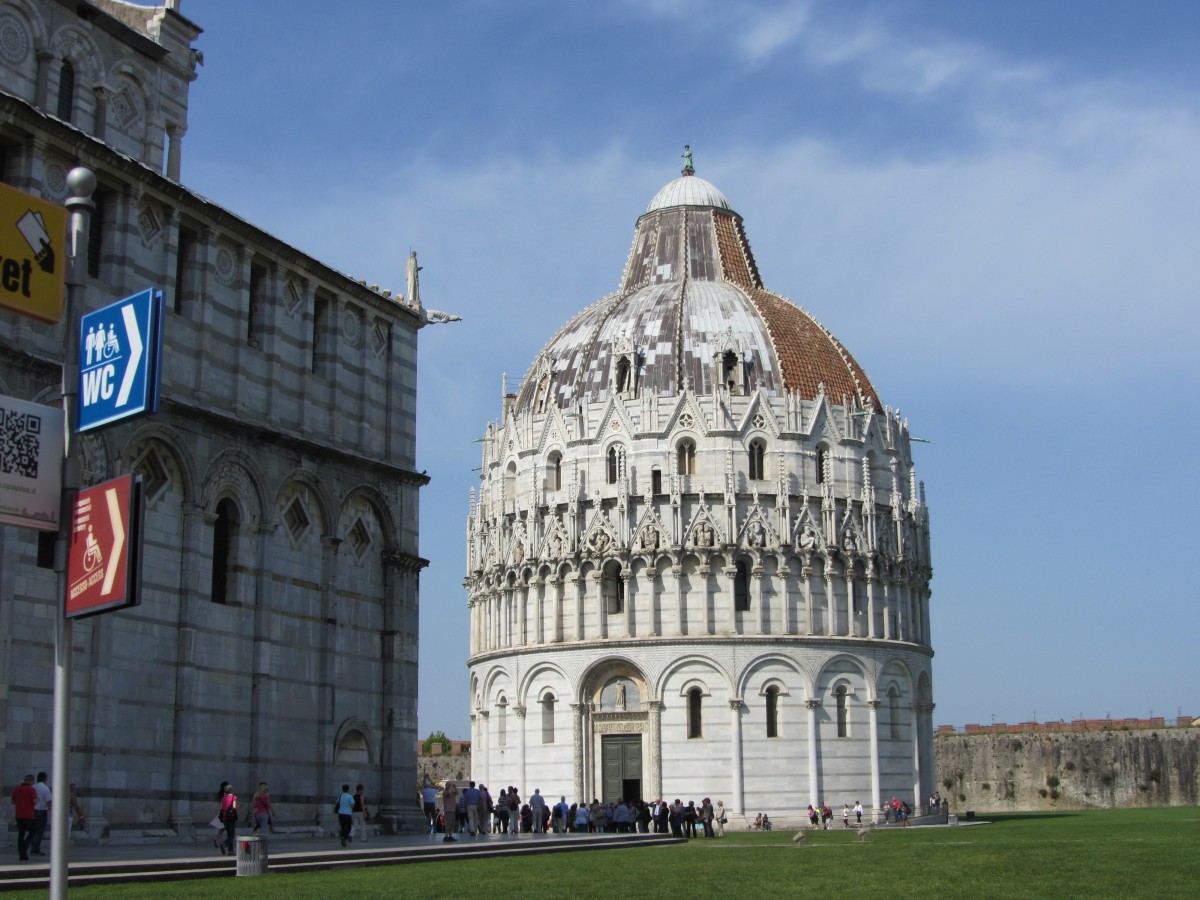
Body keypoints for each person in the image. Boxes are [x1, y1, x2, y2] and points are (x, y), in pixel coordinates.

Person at [11, 774, 36, 861]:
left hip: (19, 815)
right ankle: (24, 848)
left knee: (21, 834)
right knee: (33, 831)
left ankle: (22, 854)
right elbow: (34, 801)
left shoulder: (17, 789)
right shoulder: (31, 789)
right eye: (33, 782)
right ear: (30, 781)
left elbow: (12, 801)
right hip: (28, 815)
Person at [30, 771, 52, 856]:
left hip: (33, 811)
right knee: (39, 831)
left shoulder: (33, 787)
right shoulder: (45, 788)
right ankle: (36, 849)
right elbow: (49, 801)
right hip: (42, 811)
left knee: (33, 830)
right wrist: (51, 810)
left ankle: (33, 847)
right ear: (44, 779)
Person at [218, 783, 238, 855]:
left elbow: (221, 808)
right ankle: (224, 844)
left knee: (229, 834)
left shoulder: (223, 798)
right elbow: (234, 807)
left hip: (224, 818)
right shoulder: (234, 797)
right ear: (231, 790)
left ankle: (231, 851)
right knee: (232, 835)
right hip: (231, 817)